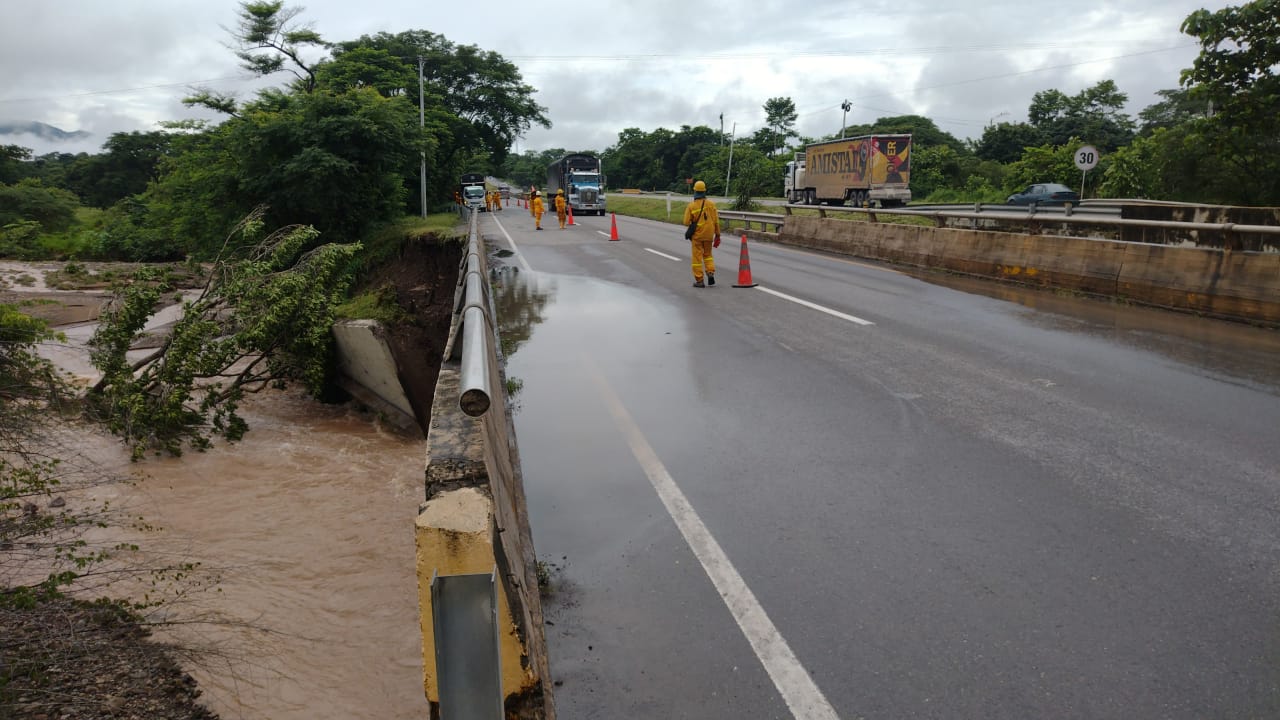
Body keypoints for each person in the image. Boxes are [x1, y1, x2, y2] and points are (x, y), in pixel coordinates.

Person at [682, 180, 721, 287]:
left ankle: (699, 280)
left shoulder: (691, 206)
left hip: (697, 236)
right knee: (708, 255)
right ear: (704, 191)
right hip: (709, 235)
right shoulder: (711, 204)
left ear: (695, 191)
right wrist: (718, 234)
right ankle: (710, 272)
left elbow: (686, 222)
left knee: (697, 258)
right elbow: (716, 221)